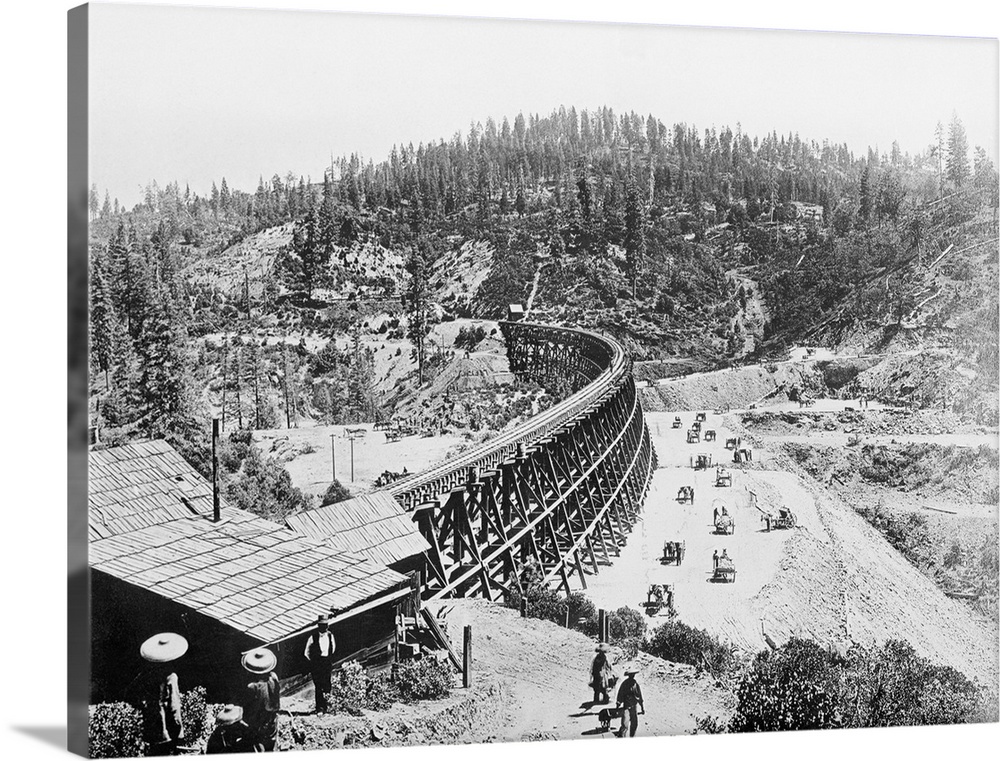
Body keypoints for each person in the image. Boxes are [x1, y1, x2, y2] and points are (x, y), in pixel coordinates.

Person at [137, 632, 187, 756]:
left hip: (152, 729)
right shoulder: (171, 677)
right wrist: (179, 731)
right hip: (167, 732)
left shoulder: (148, 676)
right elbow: (174, 706)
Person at [241, 647, 281, 752]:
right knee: (270, 742)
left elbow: (249, 708)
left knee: (257, 745)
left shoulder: (252, 686)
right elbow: (277, 697)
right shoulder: (274, 677)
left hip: (258, 722)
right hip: (271, 718)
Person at [304, 614, 336, 713]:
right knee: (318, 685)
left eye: (326, 625)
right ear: (318, 626)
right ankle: (319, 709)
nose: (325, 627)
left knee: (327, 684)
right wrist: (314, 660)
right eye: (322, 625)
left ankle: (326, 707)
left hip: (326, 663)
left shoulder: (330, 635)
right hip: (316, 664)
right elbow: (306, 652)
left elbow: (333, 648)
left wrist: (327, 658)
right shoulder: (312, 637)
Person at [615, 664, 645, 737]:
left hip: (634, 707)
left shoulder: (635, 684)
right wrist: (617, 706)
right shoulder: (625, 684)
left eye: (633, 675)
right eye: (631, 675)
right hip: (626, 707)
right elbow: (620, 695)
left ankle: (632, 737)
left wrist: (642, 708)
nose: (632, 676)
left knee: (634, 724)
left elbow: (639, 697)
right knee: (625, 724)